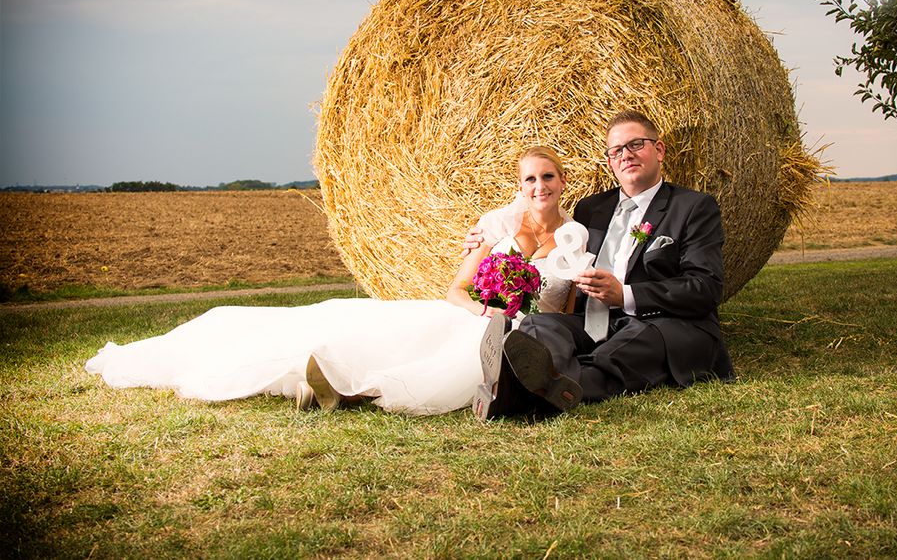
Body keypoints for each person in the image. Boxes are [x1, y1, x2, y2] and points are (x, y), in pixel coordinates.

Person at [85, 147, 581, 416]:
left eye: (548, 178)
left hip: (525, 331)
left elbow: (568, 310)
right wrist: (485, 311)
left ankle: (339, 389)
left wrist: (529, 319)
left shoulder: (578, 236)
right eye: (529, 180)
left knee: (454, 362)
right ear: (519, 186)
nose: (539, 187)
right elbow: (455, 291)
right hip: (472, 318)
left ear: (563, 181)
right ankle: (323, 378)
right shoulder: (494, 226)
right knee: (366, 328)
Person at [468, 110, 735, 420]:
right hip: (594, 323)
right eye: (617, 151)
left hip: (660, 323)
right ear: (610, 162)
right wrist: (484, 237)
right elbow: (550, 232)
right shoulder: (592, 208)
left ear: (659, 150)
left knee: (621, 349)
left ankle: (521, 393)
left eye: (636, 144)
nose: (626, 155)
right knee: (537, 326)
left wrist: (625, 295)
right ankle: (545, 385)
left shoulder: (693, 207)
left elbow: (705, 288)